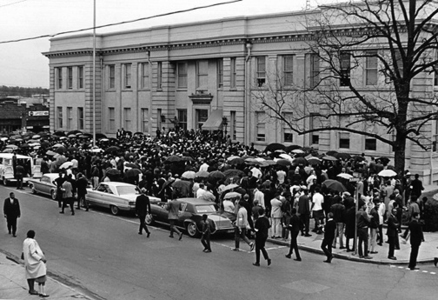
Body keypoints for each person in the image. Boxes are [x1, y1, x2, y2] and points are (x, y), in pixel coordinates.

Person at [22, 230, 49, 297]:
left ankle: (31, 289)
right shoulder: (32, 242)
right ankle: (41, 290)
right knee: (41, 270)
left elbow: (24, 251)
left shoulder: (25, 241)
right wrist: (40, 258)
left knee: (29, 275)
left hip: (27, 261)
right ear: (33, 235)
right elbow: (33, 253)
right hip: (33, 261)